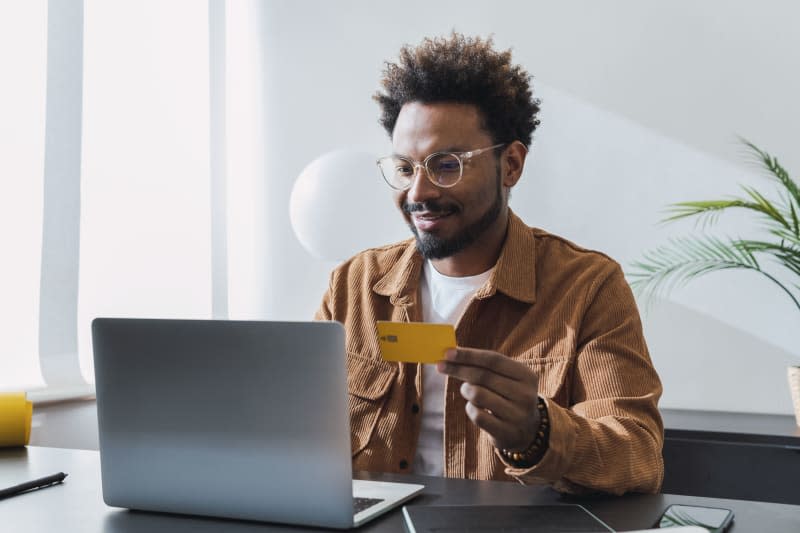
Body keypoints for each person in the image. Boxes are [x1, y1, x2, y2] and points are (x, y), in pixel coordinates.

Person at [315, 33, 663, 495]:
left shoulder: (587, 287)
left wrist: (538, 433)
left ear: (512, 165)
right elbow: (301, 433)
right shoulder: (354, 285)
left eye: (446, 165)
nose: (418, 193)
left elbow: (638, 458)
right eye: (405, 167)